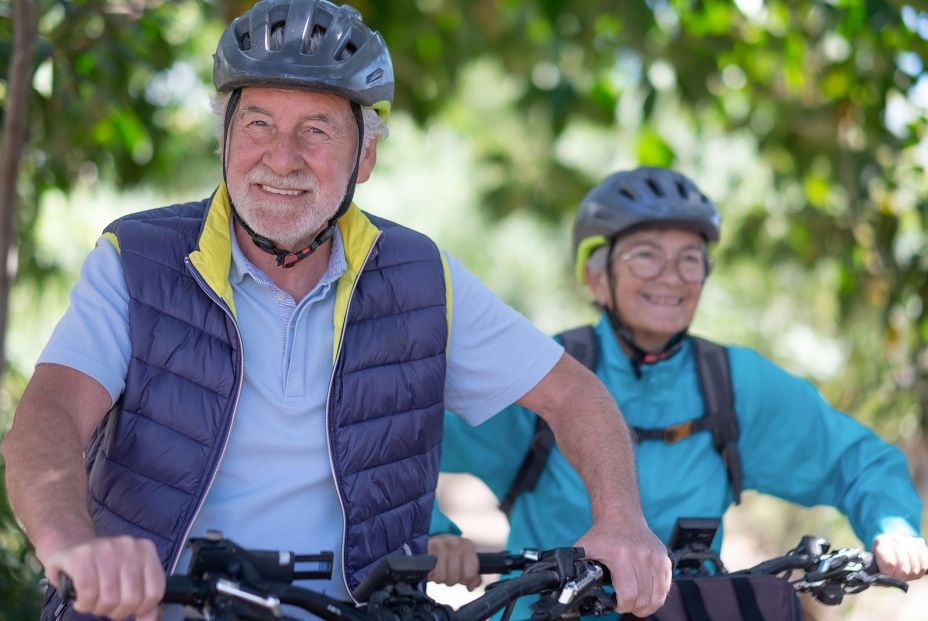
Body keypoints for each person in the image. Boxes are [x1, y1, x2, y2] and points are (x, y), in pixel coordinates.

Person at [1, 3, 674, 620]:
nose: (281, 157)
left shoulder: (420, 275)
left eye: (315, 130)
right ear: (225, 136)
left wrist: (619, 518)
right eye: (258, 122)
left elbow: (573, 394)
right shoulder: (138, 258)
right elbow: (50, 417)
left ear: (367, 155)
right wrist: (72, 545)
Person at [430, 166, 927, 610]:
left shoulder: (733, 383)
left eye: (690, 259)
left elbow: (856, 459)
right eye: (646, 255)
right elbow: (399, 444)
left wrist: (894, 529)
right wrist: (435, 534)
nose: (672, 276)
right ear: (596, 277)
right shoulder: (545, 376)